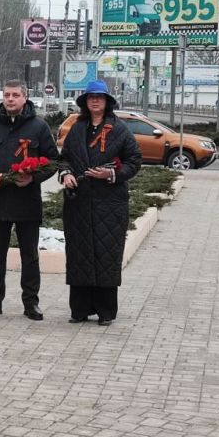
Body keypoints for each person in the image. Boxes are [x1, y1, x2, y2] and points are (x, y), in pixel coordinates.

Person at [0, 80, 59, 321]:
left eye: (16, 95)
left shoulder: (39, 127)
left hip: (27, 201)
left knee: (29, 255)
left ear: (25, 97)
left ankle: (31, 303)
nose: (10, 99)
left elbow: (53, 161)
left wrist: (33, 178)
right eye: (7, 95)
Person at [58, 80, 142, 326]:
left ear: (107, 102)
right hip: (79, 203)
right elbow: (64, 159)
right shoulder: (77, 128)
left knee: (106, 255)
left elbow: (134, 160)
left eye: (100, 97)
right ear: (85, 102)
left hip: (110, 203)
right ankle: (80, 309)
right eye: (91, 97)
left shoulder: (119, 129)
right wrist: (67, 174)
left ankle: (106, 311)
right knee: (79, 254)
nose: (95, 101)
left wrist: (112, 175)